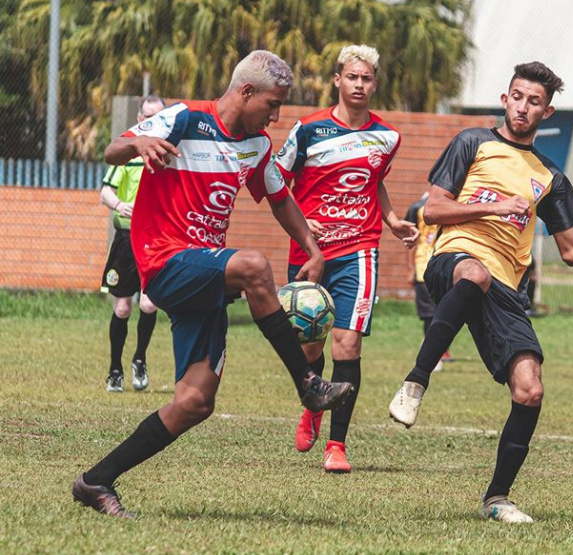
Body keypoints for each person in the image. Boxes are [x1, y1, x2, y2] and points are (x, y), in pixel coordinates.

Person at [72, 50, 353, 519]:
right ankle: (306, 383)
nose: (276, 115)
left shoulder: (258, 144)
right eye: (272, 104)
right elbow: (112, 151)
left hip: (202, 272)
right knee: (254, 266)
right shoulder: (184, 118)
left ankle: (96, 480)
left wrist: (314, 248)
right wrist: (139, 145)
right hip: (164, 261)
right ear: (245, 92)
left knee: (195, 401)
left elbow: (280, 199)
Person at [386, 61, 573, 523]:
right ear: (504, 99)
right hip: (455, 260)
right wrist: (495, 205)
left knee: (530, 389)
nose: (523, 107)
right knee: (473, 274)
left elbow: (572, 251)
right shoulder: (472, 142)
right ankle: (416, 382)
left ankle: (497, 498)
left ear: (547, 111)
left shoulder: (550, 175)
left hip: (507, 287)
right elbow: (433, 211)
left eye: (533, 101)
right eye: (517, 96)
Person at [275, 44, 418, 474]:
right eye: (352, 77)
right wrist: (304, 225)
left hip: (360, 249)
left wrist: (391, 220)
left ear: (375, 84)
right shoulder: (308, 130)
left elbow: (374, 184)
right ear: (337, 80)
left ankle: (337, 445)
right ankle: (313, 402)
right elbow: (276, 184)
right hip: (308, 253)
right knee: (310, 347)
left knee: (348, 345)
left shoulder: (387, 137)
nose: (359, 85)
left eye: (367, 78)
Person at [99, 94, 166, 393]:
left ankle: (140, 360)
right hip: (126, 240)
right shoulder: (126, 153)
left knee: (150, 303)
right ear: (140, 120)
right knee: (123, 308)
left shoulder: (168, 155)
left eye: (159, 117)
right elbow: (105, 192)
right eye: (149, 117)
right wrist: (119, 204)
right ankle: (115, 369)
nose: (153, 123)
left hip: (155, 240)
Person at [405, 191, 452, 372]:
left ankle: (437, 349)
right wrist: (410, 269)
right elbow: (411, 241)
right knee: (429, 315)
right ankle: (432, 354)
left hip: (444, 266)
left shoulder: (453, 206)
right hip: (423, 266)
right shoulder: (417, 208)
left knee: (445, 312)